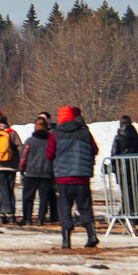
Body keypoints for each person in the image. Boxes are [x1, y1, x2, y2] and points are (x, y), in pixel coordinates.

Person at [51, 106, 100, 251]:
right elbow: (95, 149)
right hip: (82, 176)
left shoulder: (55, 134)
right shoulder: (85, 132)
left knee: (64, 208)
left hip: (63, 177)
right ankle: (91, 235)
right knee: (85, 206)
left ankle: (66, 241)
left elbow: (49, 153)